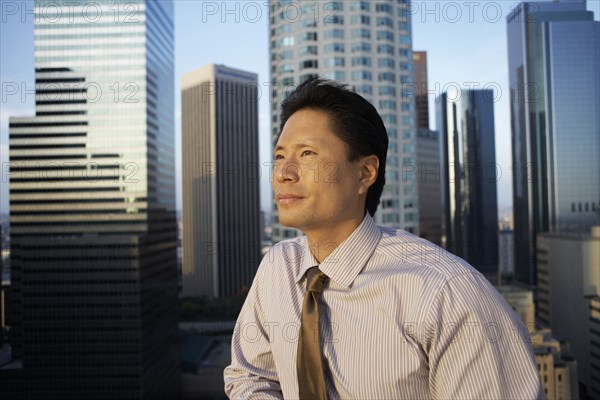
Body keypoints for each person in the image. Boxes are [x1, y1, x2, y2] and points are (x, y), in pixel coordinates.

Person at [224, 78, 544, 399]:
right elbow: (249, 376)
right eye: (280, 156)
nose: (283, 173)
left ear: (365, 173)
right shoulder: (278, 267)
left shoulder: (447, 293)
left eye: (307, 153)